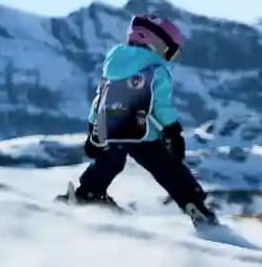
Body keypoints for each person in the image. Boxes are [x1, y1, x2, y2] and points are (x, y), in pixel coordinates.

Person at [63, 12, 217, 224]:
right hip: (142, 132)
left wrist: (93, 129)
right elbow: (160, 106)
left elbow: (100, 99)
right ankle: (193, 203)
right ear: (153, 42)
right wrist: (172, 129)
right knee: (166, 167)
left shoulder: (112, 65)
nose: (168, 57)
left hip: (111, 130)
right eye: (167, 50)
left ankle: (87, 194)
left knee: (108, 164)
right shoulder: (156, 69)